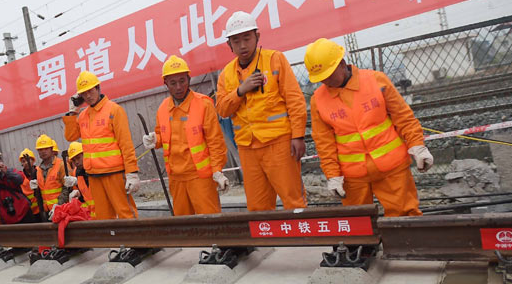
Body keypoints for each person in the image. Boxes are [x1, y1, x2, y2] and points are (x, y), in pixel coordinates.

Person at [305, 38, 433, 217]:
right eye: (321, 78)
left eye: (330, 75)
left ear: (342, 64)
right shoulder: (318, 100)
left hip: (392, 167)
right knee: (359, 225)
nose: (326, 81)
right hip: (353, 176)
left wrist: (418, 146)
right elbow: (324, 143)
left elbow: (403, 117)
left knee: (405, 217)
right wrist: (333, 175)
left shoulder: (375, 81)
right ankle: (366, 246)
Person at [214, 11, 308, 212]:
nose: (242, 45)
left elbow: (295, 100)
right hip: (248, 148)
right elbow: (222, 109)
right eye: (236, 40)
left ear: (257, 36)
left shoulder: (275, 60)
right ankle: (267, 242)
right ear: (229, 45)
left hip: (279, 143)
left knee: (293, 198)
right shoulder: (226, 75)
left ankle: (305, 240)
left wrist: (298, 136)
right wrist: (240, 90)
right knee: (258, 205)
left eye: (247, 38)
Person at [143, 56, 228, 215]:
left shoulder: (203, 104)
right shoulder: (163, 108)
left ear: (189, 79)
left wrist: (217, 170)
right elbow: (162, 136)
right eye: (173, 83)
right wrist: (155, 139)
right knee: (184, 224)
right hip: (176, 179)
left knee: (210, 221)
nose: (179, 87)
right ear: (166, 84)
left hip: (201, 178)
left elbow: (215, 142)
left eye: (182, 81)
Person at [63, 71, 140, 219]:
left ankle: (134, 242)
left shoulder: (114, 110)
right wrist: (72, 113)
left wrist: (132, 172)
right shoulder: (83, 115)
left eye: (90, 91)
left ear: (98, 88)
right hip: (94, 176)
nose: (88, 96)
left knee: (126, 213)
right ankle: (112, 242)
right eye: (84, 94)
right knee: (103, 216)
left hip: (115, 174)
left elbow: (126, 144)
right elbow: (70, 136)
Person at [0, 146, 38, 224]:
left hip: (24, 211)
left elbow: (20, 179)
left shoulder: (11, 171)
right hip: (7, 217)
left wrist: (6, 172)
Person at [32, 134, 71, 214]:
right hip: (47, 211)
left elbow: (67, 188)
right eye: (40, 149)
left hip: (62, 209)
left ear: (52, 149)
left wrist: (58, 205)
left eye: (46, 148)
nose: (43, 151)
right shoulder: (38, 169)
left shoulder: (61, 165)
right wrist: (35, 189)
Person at [61, 141, 95, 216]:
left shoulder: (94, 167)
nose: (76, 162)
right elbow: (83, 195)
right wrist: (76, 194)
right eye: (73, 160)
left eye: (78, 158)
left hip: (105, 214)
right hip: (90, 217)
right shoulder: (76, 172)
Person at [18, 149, 42, 219]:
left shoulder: (40, 171)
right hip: (29, 211)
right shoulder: (20, 176)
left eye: (28, 160)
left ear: (33, 160)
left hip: (42, 208)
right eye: (23, 161)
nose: (26, 163)